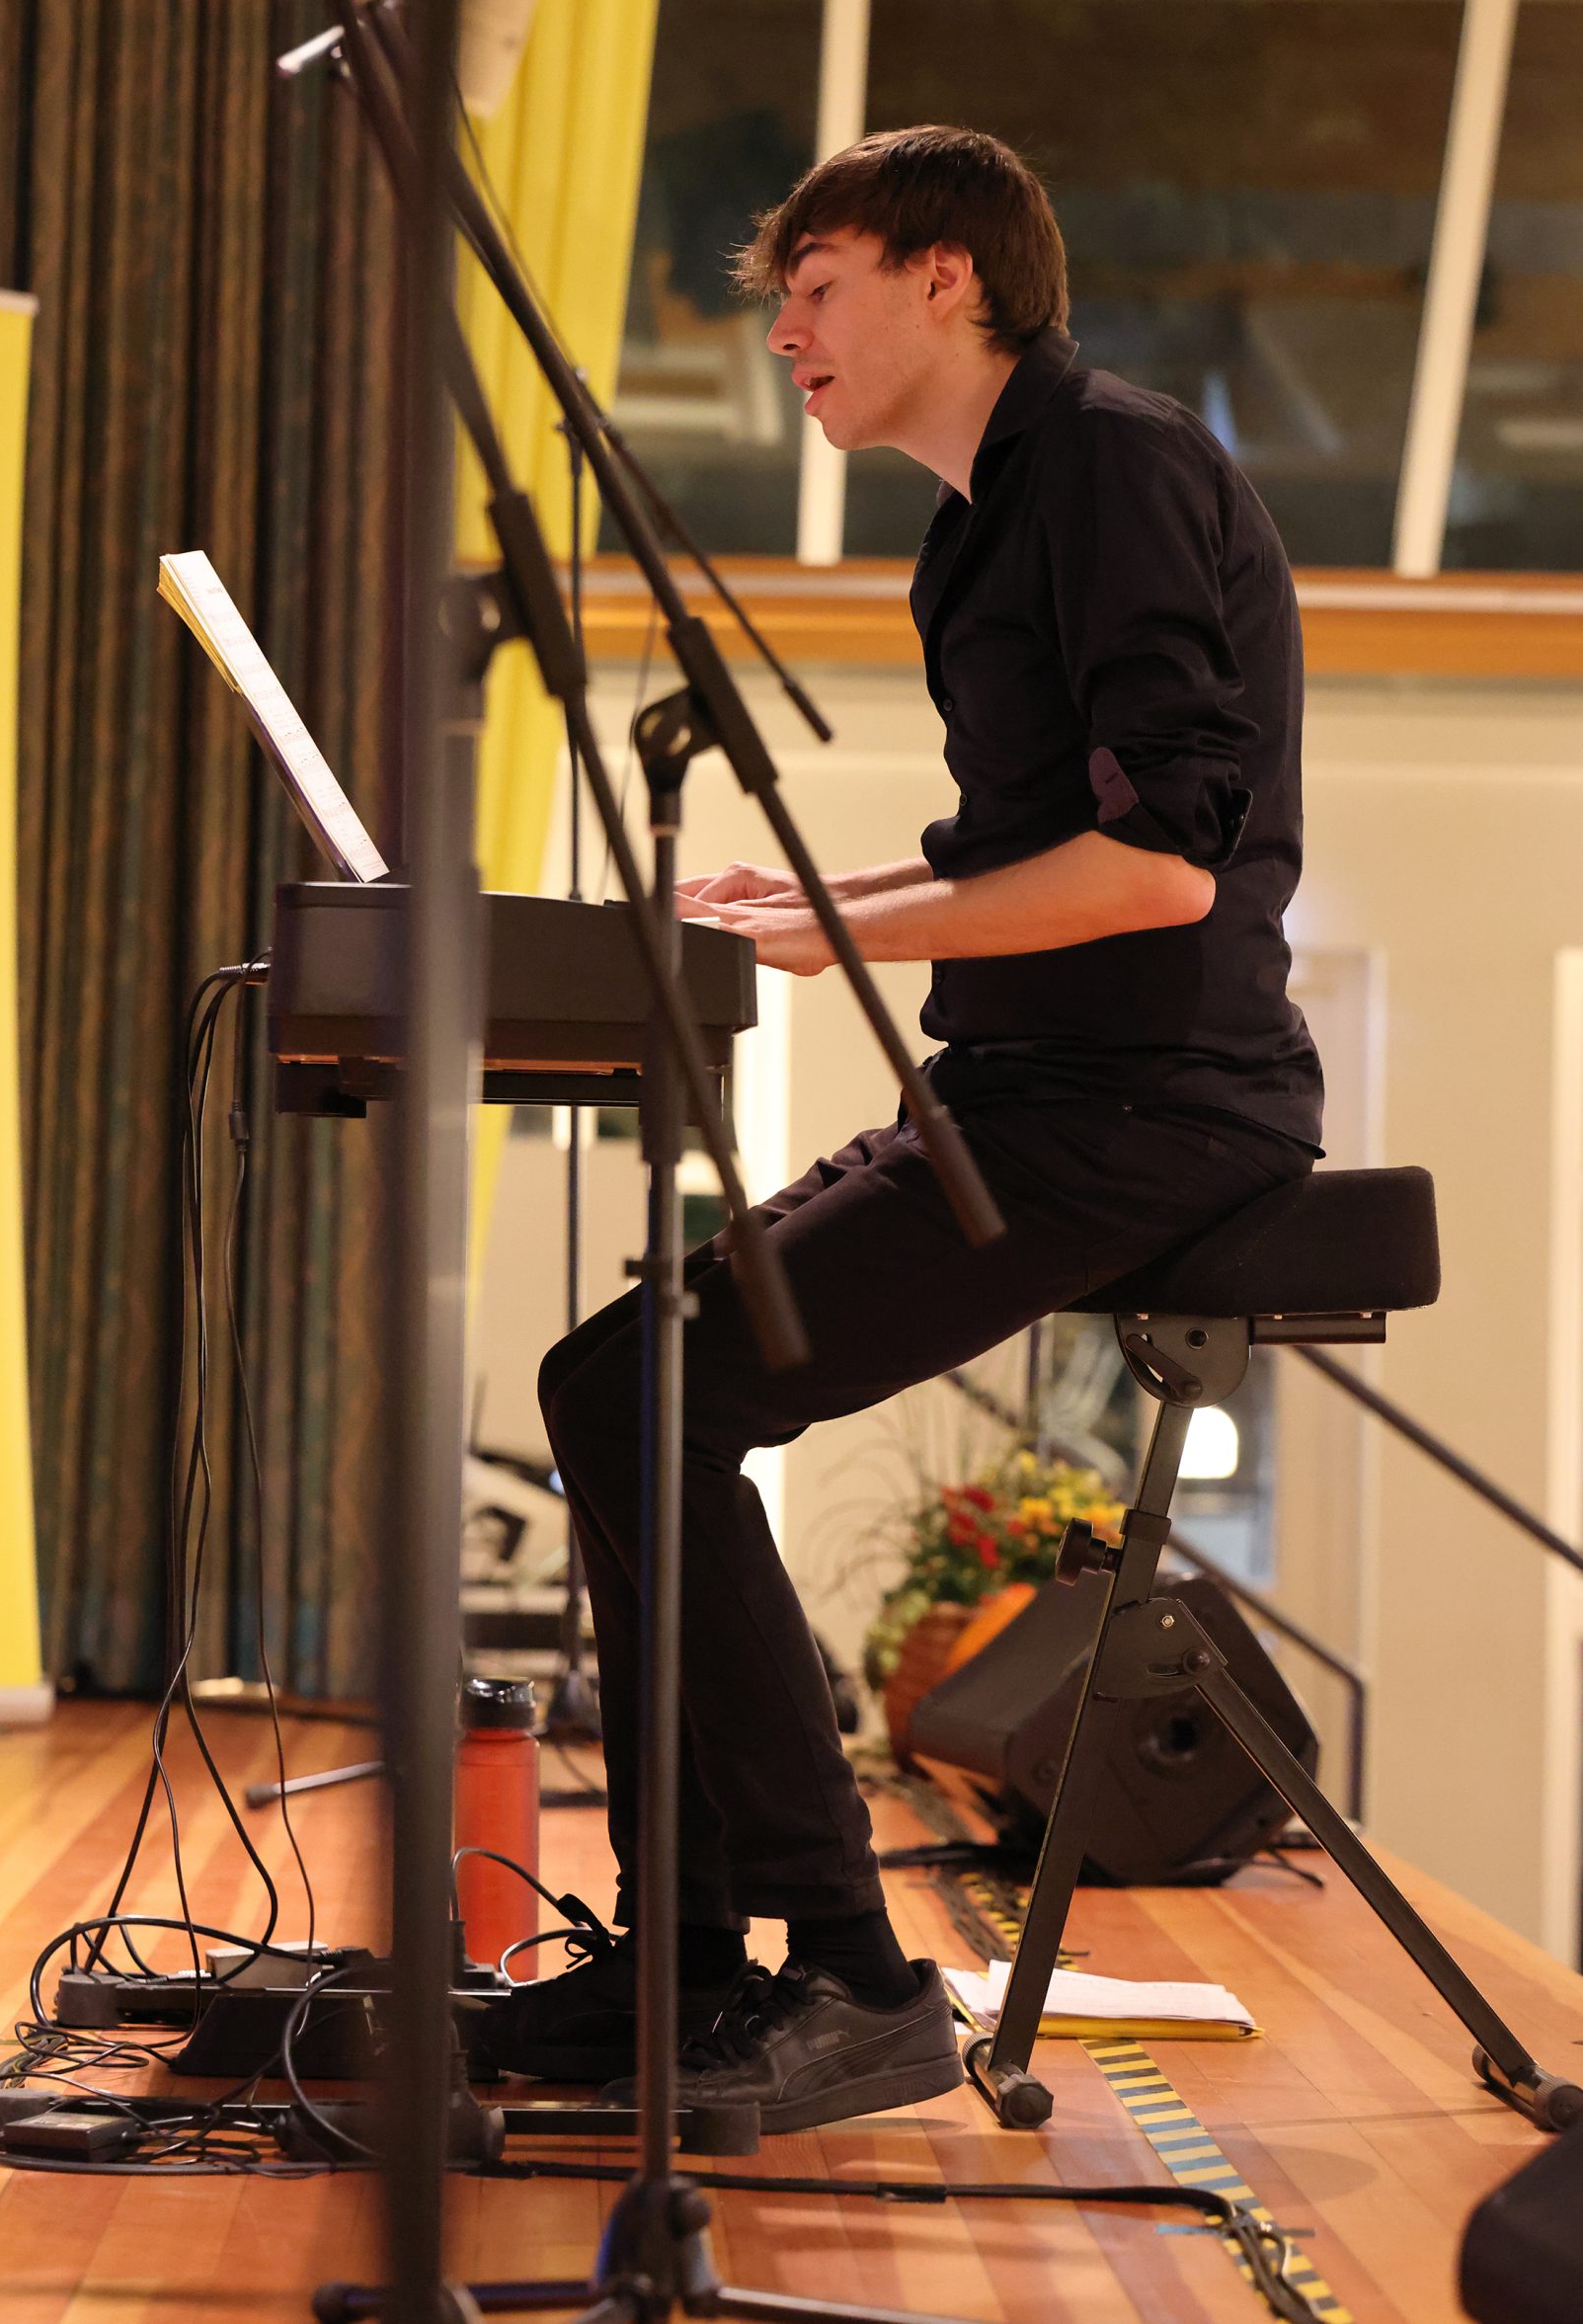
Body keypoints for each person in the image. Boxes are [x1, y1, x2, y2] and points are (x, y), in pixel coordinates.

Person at [470, 124, 1323, 2132]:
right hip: (1029, 1085)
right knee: (617, 1387)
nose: (782, 333)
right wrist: (794, 902)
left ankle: (851, 1976)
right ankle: (686, 1965)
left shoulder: (1112, 466)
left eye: (817, 286)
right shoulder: (978, 522)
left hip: (1152, 1107)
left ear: (950, 277)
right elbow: (1011, 851)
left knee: (649, 1394)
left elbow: (1157, 870)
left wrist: (832, 926)